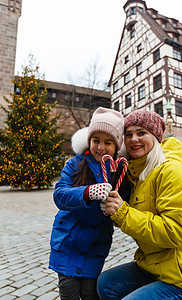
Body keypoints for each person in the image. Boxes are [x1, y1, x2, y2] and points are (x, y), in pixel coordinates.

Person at [98, 110, 182, 300]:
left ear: (156, 137)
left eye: (141, 133)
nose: (134, 139)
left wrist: (123, 213)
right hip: (155, 265)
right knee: (106, 284)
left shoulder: (172, 171)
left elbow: (173, 233)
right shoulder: (137, 172)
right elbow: (135, 212)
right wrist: (113, 210)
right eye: (129, 134)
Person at [49, 107, 129, 300]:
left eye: (108, 142)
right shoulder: (75, 164)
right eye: (96, 141)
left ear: (117, 146)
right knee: (68, 292)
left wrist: (115, 208)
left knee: (90, 293)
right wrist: (87, 193)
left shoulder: (119, 172)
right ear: (89, 140)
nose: (101, 147)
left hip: (96, 243)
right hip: (69, 241)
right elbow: (60, 195)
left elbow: (125, 203)